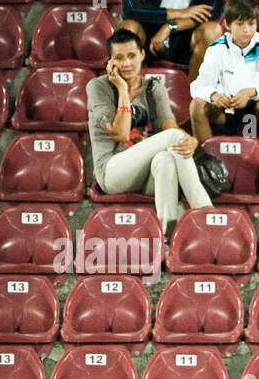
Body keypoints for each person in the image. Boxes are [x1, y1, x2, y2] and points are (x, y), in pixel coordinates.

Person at [87, 29, 211, 238]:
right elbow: (121, 134)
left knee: (166, 160)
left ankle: (166, 239)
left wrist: (189, 140)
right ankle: (206, 216)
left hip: (143, 172)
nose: (126, 63)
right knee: (173, 138)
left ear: (142, 55)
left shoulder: (153, 87)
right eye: (119, 58)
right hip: (111, 171)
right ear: (110, 62)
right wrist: (123, 90)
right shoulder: (98, 87)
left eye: (131, 56)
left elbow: (169, 124)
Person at [188, 0, 259, 155]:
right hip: (225, 108)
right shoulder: (216, 48)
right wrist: (214, 95)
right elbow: (198, 85)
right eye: (240, 24)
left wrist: (250, 92)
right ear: (228, 24)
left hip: (254, 108)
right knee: (196, 105)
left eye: (251, 23)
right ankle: (206, 158)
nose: (247, 29)